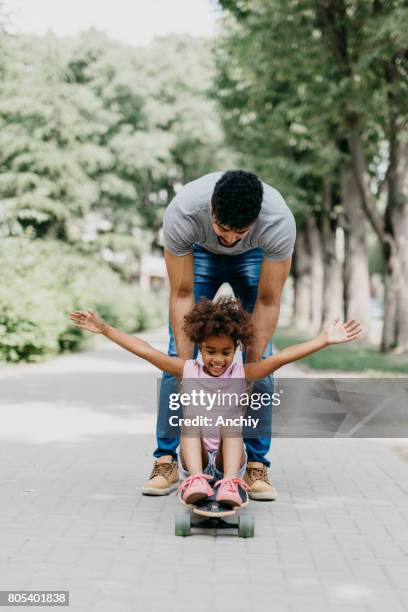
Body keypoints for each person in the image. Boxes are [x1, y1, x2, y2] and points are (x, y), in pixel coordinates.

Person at [69, 298, 362, 507]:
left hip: (227, 456)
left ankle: (232, 482)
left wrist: (323, 340)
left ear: (236, 348)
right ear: (199, 345)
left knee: (232, 422)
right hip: (192, 456)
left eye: (225, 352)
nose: (218, 359)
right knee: (191, 420)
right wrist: (106, 329)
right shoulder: (187, 370)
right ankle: (196, 480)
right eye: (210, 351)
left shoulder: (243, 373)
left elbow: (282, 358)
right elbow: (145, 351)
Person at [147, 169, 297, 501]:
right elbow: (183, 294)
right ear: (211, 210)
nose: (229, 240)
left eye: (239, 232)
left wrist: (251, 369)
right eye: (223, 230)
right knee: (177, 361)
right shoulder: (184, 212)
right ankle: (167, 459)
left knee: (263, 365)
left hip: (255, 256)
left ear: (255, 221)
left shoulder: (278, 223)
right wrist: (187, 367)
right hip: (198, 253)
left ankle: (257, 464)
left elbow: (269, 300)